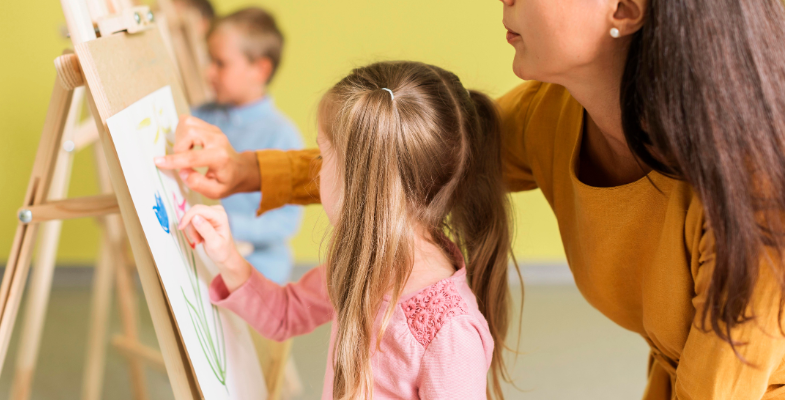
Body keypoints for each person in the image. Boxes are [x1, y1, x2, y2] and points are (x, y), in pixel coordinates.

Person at [156, 0, 785, 398]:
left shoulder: (751, 201)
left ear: (626, 7)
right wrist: (243, 171)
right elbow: (384, 163)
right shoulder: (552, 116)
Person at [178, 61, 512, 399]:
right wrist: (228, 258)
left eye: (323, 156)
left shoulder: (450, 333)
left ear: (364, 183)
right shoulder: (358, 261)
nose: (316, 173)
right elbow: (284, 315)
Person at [191, 7, 303, 284]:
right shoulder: (199, 116)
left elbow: (285, 222)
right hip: (206, 257)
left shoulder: (281, 136)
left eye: (220, 63)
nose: (209, 72)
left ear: (259, 69)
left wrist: (228, 226)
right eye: (209, 60)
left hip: (259, 269)